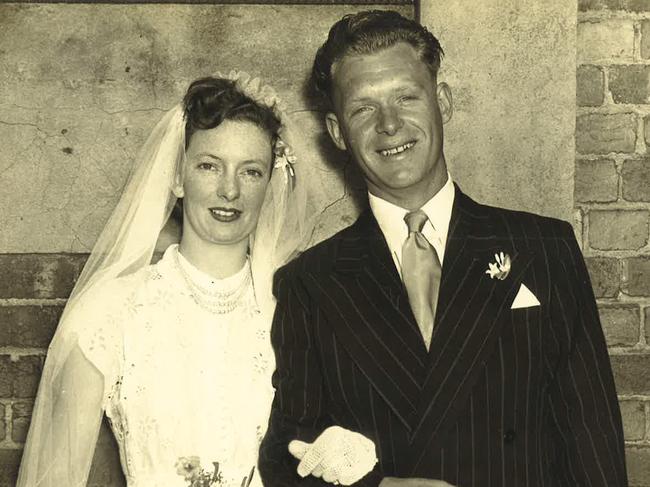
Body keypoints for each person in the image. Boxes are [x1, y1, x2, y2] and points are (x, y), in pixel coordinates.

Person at [259, 10, 628, 487]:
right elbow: (287, 452)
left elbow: (593, 446)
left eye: (405, 97)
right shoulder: (311, 281)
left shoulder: (543, 249)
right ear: (336, 133)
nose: (389, 125)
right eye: (362, 109)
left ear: (443, 102)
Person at [17, 72, 318, 486]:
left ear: (270, 182)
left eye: (250, 171)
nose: (229, 190)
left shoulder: (296, 310)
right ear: (178, 177)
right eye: (209, 166)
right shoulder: (110, 311)